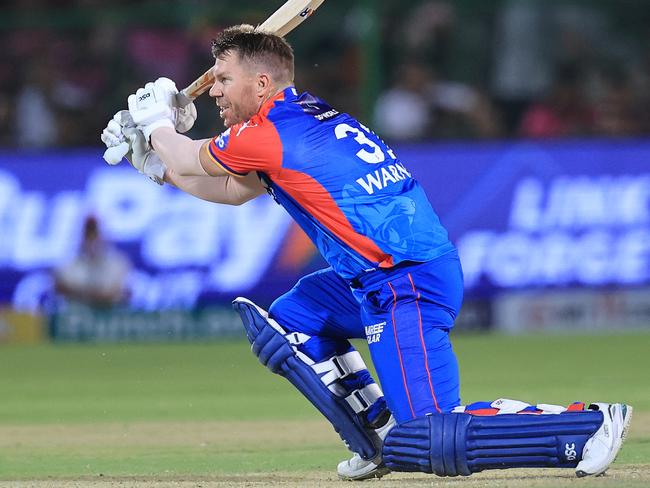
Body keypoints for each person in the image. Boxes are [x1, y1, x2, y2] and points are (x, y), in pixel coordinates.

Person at [101, 25, 632, 480]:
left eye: (222, 78)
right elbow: (231, 190)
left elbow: (195, 155)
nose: (213, 90)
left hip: (407, 283)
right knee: (291, 319)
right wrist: (157, 165)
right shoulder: (297, 120)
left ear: (261, 83)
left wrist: (155, 128)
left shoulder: (270, 132)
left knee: (428, 436)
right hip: (378, 279)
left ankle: (584, 426)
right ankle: (374, 441)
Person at [53, 215, 131, 308]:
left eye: (95, 233)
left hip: (111, 317)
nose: (92, 238)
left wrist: (80, 293)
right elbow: (60, 288)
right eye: (88, 234)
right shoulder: (68, 264)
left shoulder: (118, 263)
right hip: (77, 316)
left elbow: (123, 293)